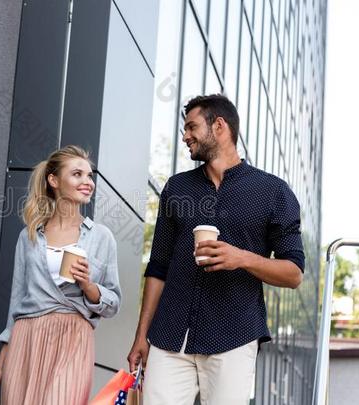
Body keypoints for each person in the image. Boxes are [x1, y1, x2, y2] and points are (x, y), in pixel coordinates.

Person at [127, 94, 304, 404]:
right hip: (170, 336)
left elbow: (293, 274)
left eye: (192, 127)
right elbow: (158, 267)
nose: (185, 136)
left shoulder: (273, 192)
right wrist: (142, 335)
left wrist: (242, 258)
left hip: (234, 335)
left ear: (219, 126)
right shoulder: (177, 188)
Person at [0, 145, 121, 404]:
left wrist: (88, 285)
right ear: (54, 180)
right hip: (28, 336)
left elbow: (113, 303)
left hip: (73, 336)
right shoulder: (30, 236)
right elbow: (17, 304)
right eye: (77, 174)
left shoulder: (102, 237)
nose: (87, 182)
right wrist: (0, 367)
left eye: (89, 176)